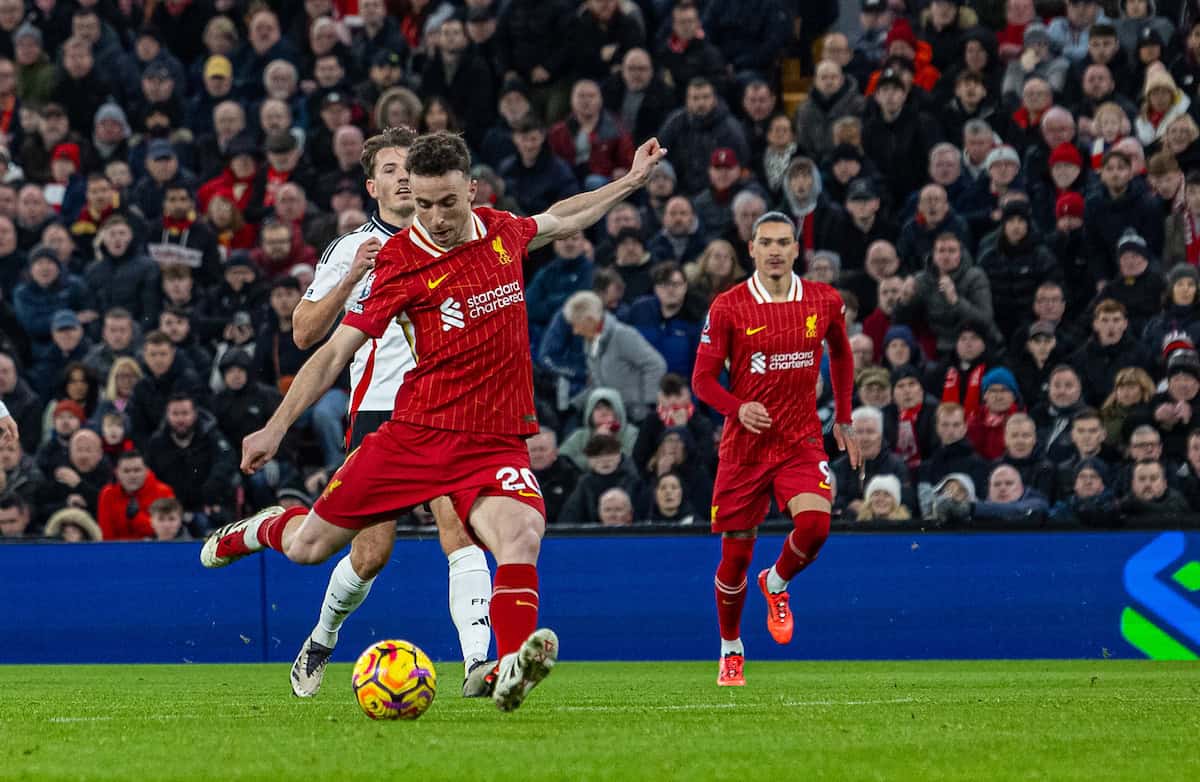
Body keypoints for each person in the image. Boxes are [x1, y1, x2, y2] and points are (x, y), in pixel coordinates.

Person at [202, 131, 668, 713]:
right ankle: (263, 528)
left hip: (495, 439)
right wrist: (274, 426)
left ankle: (507, 664)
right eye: (422, 205)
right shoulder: (400, 260)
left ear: (471, 191)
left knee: (521, 536)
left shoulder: (501, 231)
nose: (435, 218)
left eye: (447, 203)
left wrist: (628, 182)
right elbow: (331, 351)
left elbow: (560, 218)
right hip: (416, 434)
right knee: (310, 549)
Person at [284, 127, 499, 699]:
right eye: (390, 168)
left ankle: (479, 660)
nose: (403, 176)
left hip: (451, 409)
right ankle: (323, 636)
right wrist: (354, 274)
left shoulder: (460, 236)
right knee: (372, 552)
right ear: (372, 184)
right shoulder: (352, 248)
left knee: (461, 529)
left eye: (410, 166)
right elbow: (305, 334)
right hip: (380, 410)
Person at [691, 211, 859, 686]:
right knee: (735, 559)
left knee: (816, 525)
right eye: (766, 242)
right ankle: (730, 648)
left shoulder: (824, 300)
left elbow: (843, 354)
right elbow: (702, 379)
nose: (776, 251)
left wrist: (843, 416)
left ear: (795, 249)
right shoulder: (728, 306)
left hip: (800, 439)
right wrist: (737, 407)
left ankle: (778, 581)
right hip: (745, 449)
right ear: (752, 249)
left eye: (784, 242)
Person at [96, 449, 175, 541]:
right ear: (117, 473)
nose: (132, 476)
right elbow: (107, 536)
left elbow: (167, 531)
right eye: (126, 471)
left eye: (137, 470)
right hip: (118, 552)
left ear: (146, 471)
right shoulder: (107, 494)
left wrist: (136, 517)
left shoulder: (164, 492)